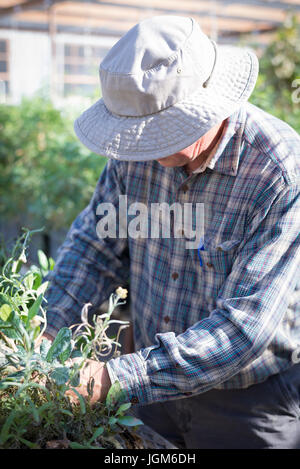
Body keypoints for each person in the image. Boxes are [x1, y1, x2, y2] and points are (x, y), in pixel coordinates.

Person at [44, 16, 300, 449]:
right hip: (154, 393)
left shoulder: (277, 173)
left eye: (159, 133)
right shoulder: (132, 154)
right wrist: (47, 328)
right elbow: (96, 247)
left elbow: (246, 328)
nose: (145, 149)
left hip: (248, 403)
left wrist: (114, 377)